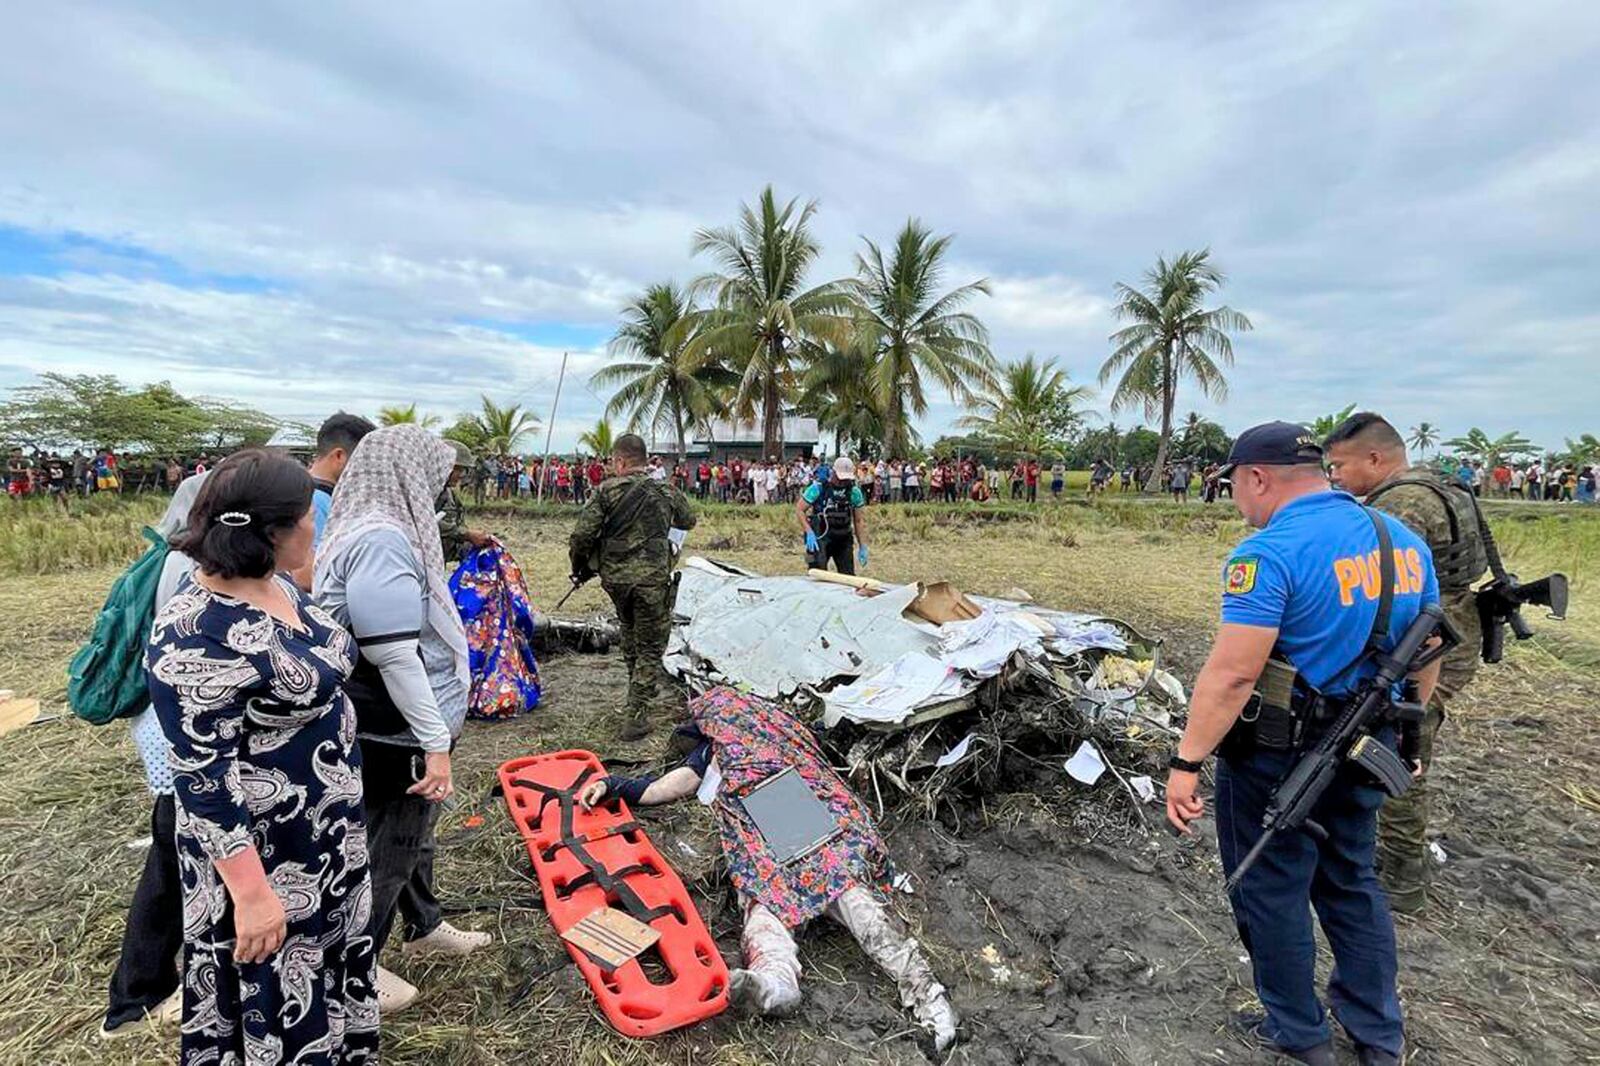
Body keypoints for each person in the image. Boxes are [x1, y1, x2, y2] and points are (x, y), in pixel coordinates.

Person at [1165, 422, 1442, 1066]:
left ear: (1257, 477)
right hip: (1370, 747)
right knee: (1352, 882)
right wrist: (1410, 727)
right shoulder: (1401, 540)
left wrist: (1186, 763)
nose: (1236, 499)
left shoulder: (1267, 553)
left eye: (1234, 484)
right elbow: (1429, 648)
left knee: (1271, 889)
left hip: (1277, 754)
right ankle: (1379, 1035)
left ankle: (1300, 1034)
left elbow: (1233, 675)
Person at [145, 449, 378, 1063]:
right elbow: (204, 781)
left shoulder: (276, 584)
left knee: (327, 961)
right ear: (273, 530)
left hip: (323, 828)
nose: (316, 526)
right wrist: (250, 895)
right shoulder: (191, 634)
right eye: (307, 516)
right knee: (276, 981)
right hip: (263, 851)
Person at [578, 688, 959, 1052]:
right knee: (763, 916)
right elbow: (663, 787)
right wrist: (614, 785)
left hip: (800, 818)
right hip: (757, 837)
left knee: (858, 905)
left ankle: (929, 997)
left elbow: (820, 774)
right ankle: (775, 984)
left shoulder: (782, 732)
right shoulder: (714, 751)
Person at [314, 426, 491, 1016]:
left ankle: (424, 921)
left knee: (412, 834)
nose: (443, 486)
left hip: (381, 718)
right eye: (437, 472)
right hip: (393, 727)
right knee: (389, 845)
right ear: (410, 472)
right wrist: (434, 741)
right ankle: (354, 971)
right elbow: (392, 651)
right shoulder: (384, 539)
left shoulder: (363, 526)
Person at [1324, 413, 1488, 913]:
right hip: (1450, 633)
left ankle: (1400, 875)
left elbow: (1382, 586)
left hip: (1422, 647)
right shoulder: (1445, 487)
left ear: (1375, 458)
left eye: (1340, 466)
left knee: (1399, 751)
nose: (1335, 478)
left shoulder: (1401, 506)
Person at [101, 473, 211, 1040]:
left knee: (176, 849)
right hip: (178, 731)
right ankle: (134, 998)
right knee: (172, 857)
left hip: (167, 726)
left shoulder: (171, 556)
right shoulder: (188, 567)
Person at [570, 433, 696, 741]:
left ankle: (636, 693)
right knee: (651, 646)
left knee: (630, 635)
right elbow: (688, 520)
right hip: (652, 579)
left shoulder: (605, 492)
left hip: (616, 581)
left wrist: (579, 568)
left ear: (621, 461)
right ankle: (636, 715)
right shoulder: (665, 490)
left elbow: (582, 536)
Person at [303, 411, 377, 577]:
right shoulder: (315, 500)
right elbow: (306, 574)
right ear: (339, 456)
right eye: (364, 459)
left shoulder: (303, 491)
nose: (368, 467)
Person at [798, 457, 869, 576]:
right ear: (833, 472)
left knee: (848, 576)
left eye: (846, 479)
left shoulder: (854, 492)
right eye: (840, 478)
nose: (843, 482)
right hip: (819, 537)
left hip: (843, 538)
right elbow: (799, 509)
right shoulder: (818, 488)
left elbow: (858, 520)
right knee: (815, 574)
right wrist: (808, 532)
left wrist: (862, 545)